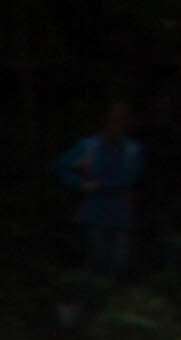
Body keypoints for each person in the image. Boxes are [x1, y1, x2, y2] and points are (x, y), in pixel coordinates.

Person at [58, 102, 149, 304]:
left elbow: (134, 179)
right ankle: (84, 306)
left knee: (118, 265)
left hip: (121, 216)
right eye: (113, 119)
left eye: (122, 120)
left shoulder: (133, 150)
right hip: (94, 213)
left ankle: (105, 308)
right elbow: (62, 167)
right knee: (95, 264)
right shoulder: (89, 146)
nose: (117, 124)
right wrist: (80, 184)